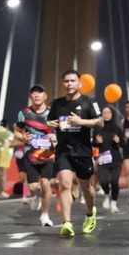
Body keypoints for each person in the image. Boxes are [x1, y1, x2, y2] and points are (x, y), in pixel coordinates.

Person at [47, 70, 102, 237]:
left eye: (72, 81)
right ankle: (67, 223)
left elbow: (100, 121)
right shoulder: (57, 103)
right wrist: (52, 124)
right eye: (66, 81)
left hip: (83, 151)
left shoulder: (89, 102)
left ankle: (90, 213)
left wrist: (80, 121)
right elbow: (50, 121)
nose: (69, 84)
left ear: (80, 84)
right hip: (64, 150)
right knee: (64, 184)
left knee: (86, 188)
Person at [15, 84, 57, 226]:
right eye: (34, 93)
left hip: (48, 155)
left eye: (40, 92)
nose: (37, 95)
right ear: (30, 96)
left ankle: (45, 215)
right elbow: (17, 131)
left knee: (46, 184)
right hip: (31, 155)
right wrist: (22, 138)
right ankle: (37, 196)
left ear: (45, 96)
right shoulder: (24, 113)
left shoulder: (52, 113)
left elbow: (61, 130)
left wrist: (55, 137)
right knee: (33, 187)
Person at [94, 107, 125, 213]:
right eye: (104, 112)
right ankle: (107, 195)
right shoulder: (98, 129)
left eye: (108, 112)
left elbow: (123, 144)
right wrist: (97, 142)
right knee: (104, 181)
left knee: (114, 181)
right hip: (103, 160)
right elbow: (93, 144)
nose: (106, 114)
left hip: (116, 159)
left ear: (112, 114)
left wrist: (118, 141)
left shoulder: (117, 129)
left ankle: (114, 203)